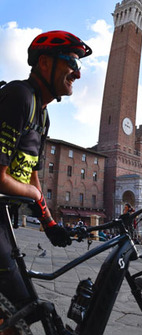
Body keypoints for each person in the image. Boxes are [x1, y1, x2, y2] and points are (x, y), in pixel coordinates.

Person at [0, 31, 92, 310]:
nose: (77, 74)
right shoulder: (19, 97)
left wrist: (50, 223)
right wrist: (35, 196)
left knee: (24, 305)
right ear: (44, 64)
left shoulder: (42, 115)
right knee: (20, 305)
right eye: (71, 63)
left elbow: (32, 175)